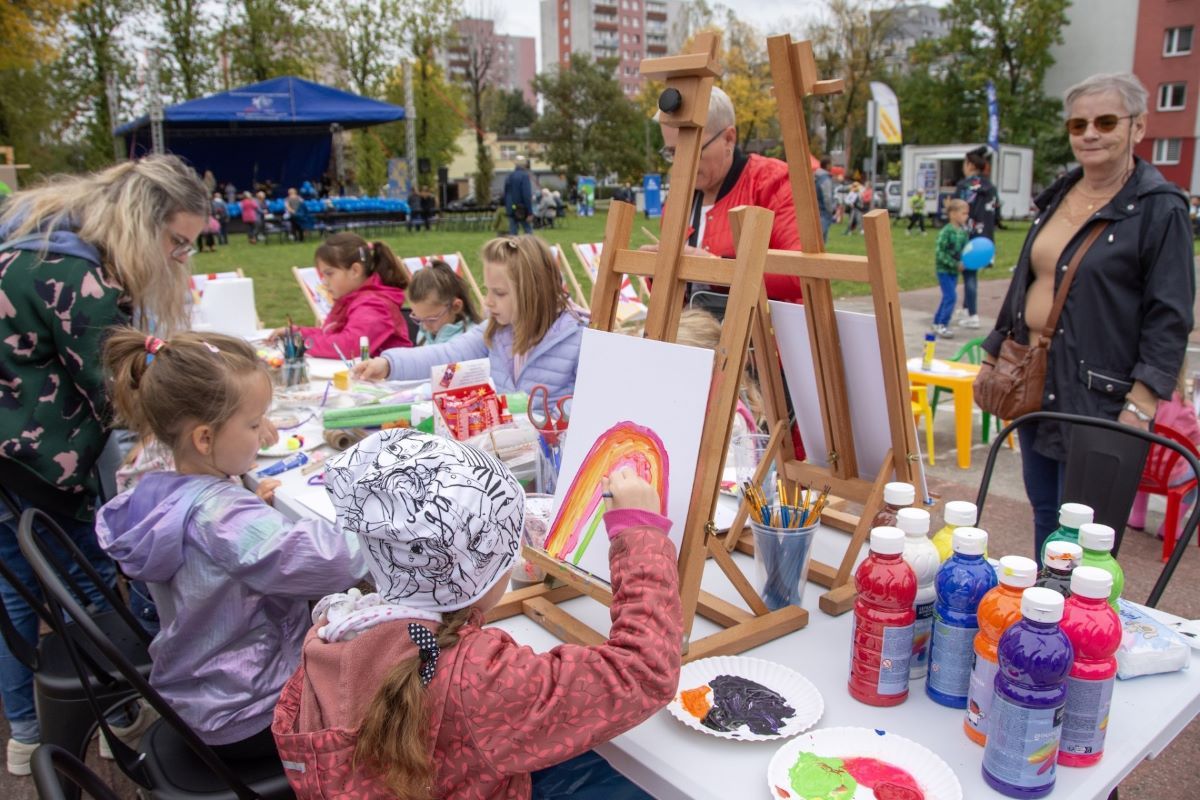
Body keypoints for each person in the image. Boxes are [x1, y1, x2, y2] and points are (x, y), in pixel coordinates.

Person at [272, 429, 681, 799]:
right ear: (481, 568)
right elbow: (642, 672)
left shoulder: (334, 629)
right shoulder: (479, 680)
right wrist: (638, 533)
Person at [0, 154, 210, 774]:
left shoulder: (40, 241)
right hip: (46, 467)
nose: (179, 258)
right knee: (81, 589)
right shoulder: (77, 276)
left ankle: (25, 728)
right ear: (143, 223)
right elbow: (120, 392)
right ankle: (107, 710)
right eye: (177, 243)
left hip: (16, 457)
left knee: (19, 593)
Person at [96, 330, 364, 760]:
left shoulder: (168, 490)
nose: (263, 436)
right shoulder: (223, 521)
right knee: (392, 684)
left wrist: (240, 501)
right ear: (205, 439)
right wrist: (387, 519)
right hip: (252, 712)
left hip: (199, 692)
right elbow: (337, 560)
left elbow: (222, 542)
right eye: (254, 424)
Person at [976, 72, 1194, 558]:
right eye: (1078, 124)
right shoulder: (1058, 196)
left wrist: (1140, 406)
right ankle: (1043, 624)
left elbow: (1171, 315)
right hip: (1036, 382)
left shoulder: (1160, 209)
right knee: (1044, 515)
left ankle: (1081, 628)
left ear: (1137, 128)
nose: (1090, 133)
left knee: (1085, 537)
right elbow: (1024, 282)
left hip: (1102, 397)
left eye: (1106, 120)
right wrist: (995, 351)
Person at [354, 236, 587, 402]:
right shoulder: (497, 330)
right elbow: (447, 355)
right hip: (503, 453)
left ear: (533, 292)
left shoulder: (579, 340)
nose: (488, 301)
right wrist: (388, 364)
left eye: (500, 293)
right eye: (488, 291)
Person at [651, 86, 803, 307]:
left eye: (692, 150)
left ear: (729, 139)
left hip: (765, 337)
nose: (680, 163)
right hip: (695, 333)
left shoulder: (773, 181)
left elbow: (798, 275)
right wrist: (654, 270)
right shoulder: (679, 197)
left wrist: (716, 268)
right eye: (672, 153)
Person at [270, 233, 412, 359]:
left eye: (329, 274)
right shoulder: (353, 298)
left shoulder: (375, 304)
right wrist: (297, 333)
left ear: (355, 271)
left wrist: (300, 343)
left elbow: (349, 346)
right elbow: (331, 334)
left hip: (389, 384)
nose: (324, 282)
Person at [1127, 384, 1200, 541]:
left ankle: (1137, 518)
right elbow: (1194, 438)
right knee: (1196, 476)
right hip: (1170, 475)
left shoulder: (1142, 401)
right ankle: (1169, 528)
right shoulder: (1184, 406)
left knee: (1147, 461)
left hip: (1141, 470)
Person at [955, 145, 998, 329]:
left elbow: (956, 209)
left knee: (969, 274)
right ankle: (967, 309)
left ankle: (973, 315)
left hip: (968, 234)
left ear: (971, 165)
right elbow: (997, 213)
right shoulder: (990, 187)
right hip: (986, 236)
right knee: (971, 273)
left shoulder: (964, 186)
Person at [407, 261, 483, 345]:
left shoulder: (471, 340)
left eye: (431, 319)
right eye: (418, 319)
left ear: (456, 307)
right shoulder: (424, 333)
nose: (425, 327)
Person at [931, 199, 969, 338]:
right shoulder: (946, 232)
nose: (966, 216)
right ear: (953, 214)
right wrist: (954, 264)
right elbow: (940, 253)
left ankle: (936, 321)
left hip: (954, 272)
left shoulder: (963, 232)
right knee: (951, 297)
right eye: (963, 213)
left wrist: (966, 261)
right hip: (944, 270)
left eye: (967, 214)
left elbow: (966, 250)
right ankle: (943, 324)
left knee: (947, 297)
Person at [503, 156, 534, 235]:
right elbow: (526, 194)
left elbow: (505, 193)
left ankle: (512, 246)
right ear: (524, 165)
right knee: (528, 230)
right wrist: (530, 212)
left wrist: (508, 207)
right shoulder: (524, 176)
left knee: (513, 232)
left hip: (511, 208)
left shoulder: (509, 176)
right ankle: (529, 247)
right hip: (522, 208)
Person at [814, 156, 835, 242]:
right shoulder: (825, 179)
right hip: (824, 212)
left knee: (817, 237)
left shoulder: (816, 176)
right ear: (827, 165)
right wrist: (831, 210)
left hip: (816, 210)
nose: (832, 166)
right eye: (831, 164)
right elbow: (827, 197)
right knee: (821, 239)